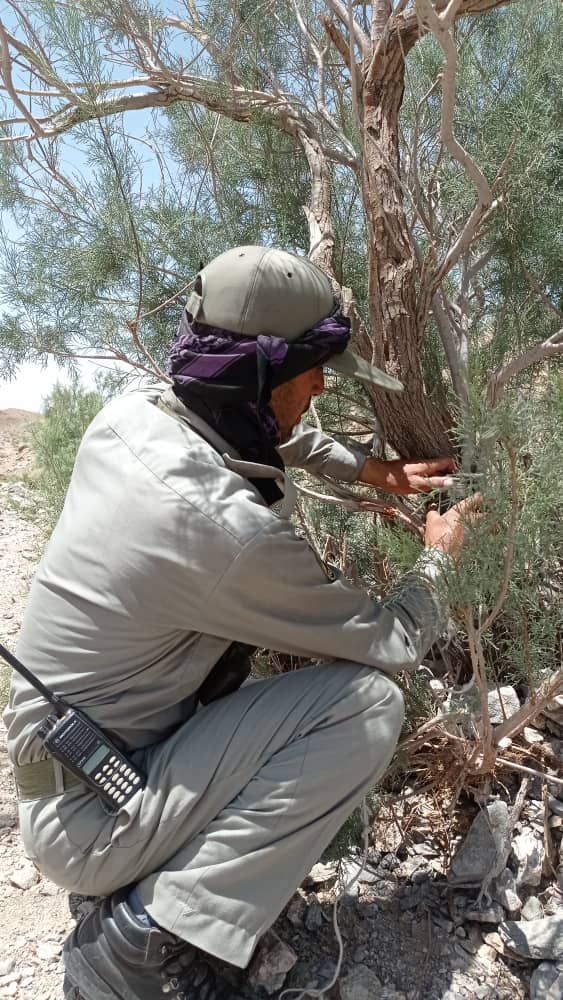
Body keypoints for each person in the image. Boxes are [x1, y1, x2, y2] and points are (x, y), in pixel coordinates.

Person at [4, 246, 474, 1000]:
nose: (322, 385)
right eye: (311, 370)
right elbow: (391, 641)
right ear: (256, 378)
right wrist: (439, 560)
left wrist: (365, 469)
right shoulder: (223, 531)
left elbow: (263, 435)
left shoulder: (132, 416)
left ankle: (152, 867)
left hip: (78, 771)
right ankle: (144, 948)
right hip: (92, 816)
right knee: (363, 704)